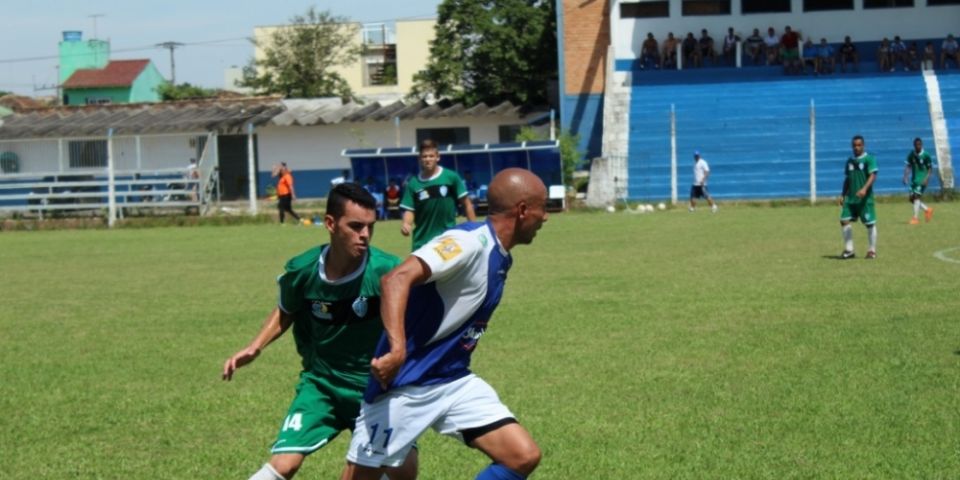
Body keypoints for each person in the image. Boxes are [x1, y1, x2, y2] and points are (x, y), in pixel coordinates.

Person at [343, 168, 549, 480]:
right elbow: (396, 279)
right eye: (542, 208)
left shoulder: (500, 253)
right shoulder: (467, 243)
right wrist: (397, 349)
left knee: (521, 456)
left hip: (452, 380)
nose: (545, 217)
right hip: (406, 385)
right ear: (522, 210)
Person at [222, 183, 418, 480]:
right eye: (355, 226)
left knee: (404, 472)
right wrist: (256, 346)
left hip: (374, 388)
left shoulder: (387, 271)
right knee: (284, 464)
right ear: (330, 223)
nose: (364, 235)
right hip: (321, 384)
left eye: (370, 227)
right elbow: (287, 310)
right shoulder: (303, 270)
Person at [400, 139, 476, 251]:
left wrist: (474, 227)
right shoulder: (413, 183)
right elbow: (410, 209)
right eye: (424, 156)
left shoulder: (451, 177)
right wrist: (406, 223)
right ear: (420, 159)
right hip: (422, 241)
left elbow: (466, 204)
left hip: (447, 239)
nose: (428, 159)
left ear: (437, 157)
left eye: (431, 156)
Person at [838, 135, 878, 259]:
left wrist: (864, 189)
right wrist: (842, 195)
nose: (857, 147)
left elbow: (873, 175)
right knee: (844, 220)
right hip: (851, 198)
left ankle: (872, 250)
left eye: (859, 145)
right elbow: (847, 179)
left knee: (869, 224)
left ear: (863, 145)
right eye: (854, 145)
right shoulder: (849, 161)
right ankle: (849, 250)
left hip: (865, 199)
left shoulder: (869, 159)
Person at [903, 137, 935, 225]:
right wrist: (905, 176)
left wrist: (926, 179)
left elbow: (930, 169)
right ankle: (927, 210)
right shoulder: (912, 154)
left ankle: (915, 218)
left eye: (919, 145)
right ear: (914, 145)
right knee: (911, 199)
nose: (918, 146)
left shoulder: (926, 155)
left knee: (916, 197)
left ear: (922, 145)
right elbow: (908, 166)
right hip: (914, 180)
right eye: (916, 145)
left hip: (922, 180)